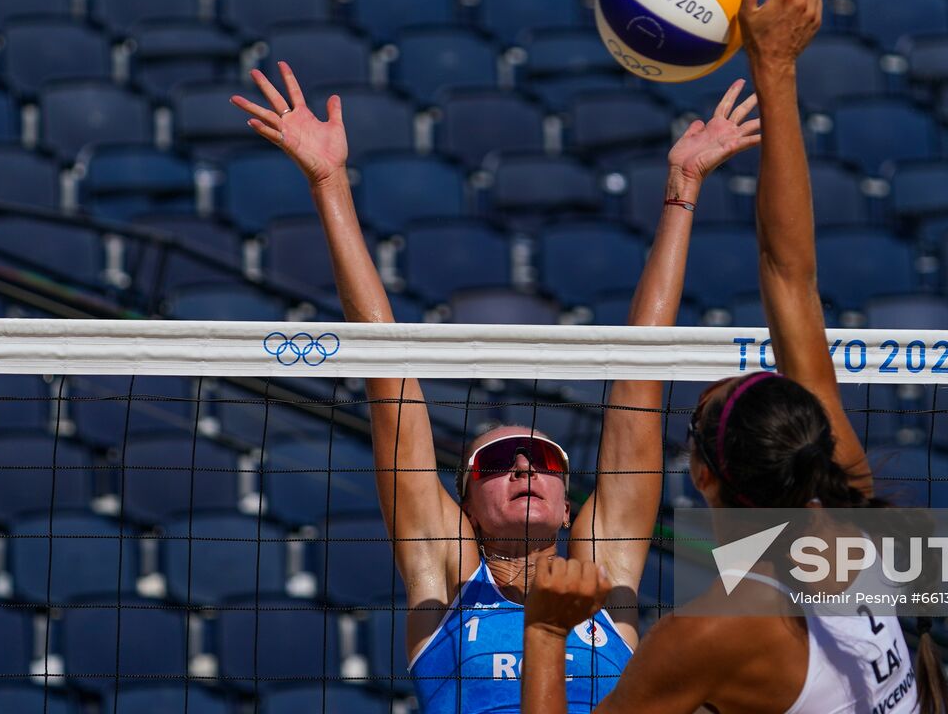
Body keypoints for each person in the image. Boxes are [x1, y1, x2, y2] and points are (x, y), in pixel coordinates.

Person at [228, 67, 762, 711]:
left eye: (542, 461)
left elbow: (639, 380)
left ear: (570, 508)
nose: (520, 466)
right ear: (466, 510)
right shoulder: (448, 579)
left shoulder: (606, 578)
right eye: (496, 463)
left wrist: (681, 193)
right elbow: (389, 379)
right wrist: (329, 183)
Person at [519, 0, 948, 714]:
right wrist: (775, 67)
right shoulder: (848, 513)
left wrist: (547, 632)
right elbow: (791, 276)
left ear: (705, 477)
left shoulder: (718, 629)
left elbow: (790, 275)